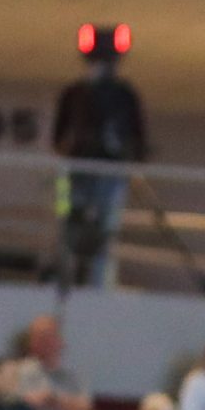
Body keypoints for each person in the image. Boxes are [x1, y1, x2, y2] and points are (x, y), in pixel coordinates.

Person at [50, 30, 147, 288]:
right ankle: (67, 275)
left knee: (106, 228)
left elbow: (138, 137)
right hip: (73, 171)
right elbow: (58, 137)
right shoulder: (75, 93)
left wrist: (129, 157)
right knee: (69, 223)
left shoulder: (124, 95)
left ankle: (98, 282)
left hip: (111, 172)